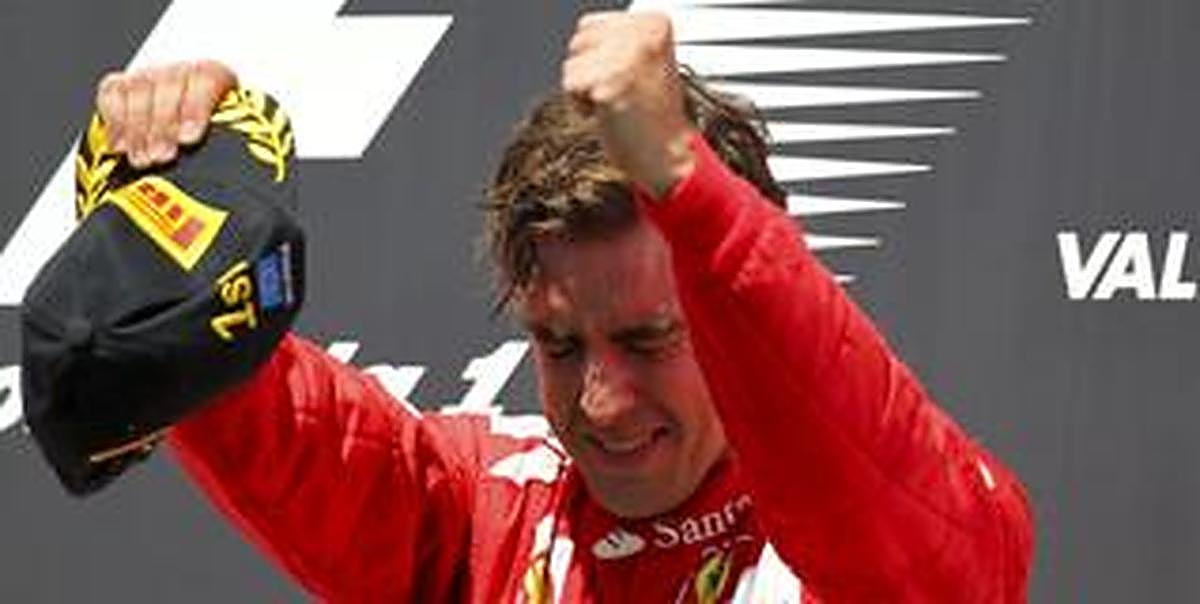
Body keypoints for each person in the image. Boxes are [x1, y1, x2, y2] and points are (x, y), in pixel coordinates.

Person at [93, 12, 1033, 603]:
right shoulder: (483, 511)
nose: (601, 402)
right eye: (559, 343)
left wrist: (689, 188)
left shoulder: (863, 548)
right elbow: (287, 429)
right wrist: (169, 244)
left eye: (648, 339)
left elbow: (916, 545)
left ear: (731, 314)